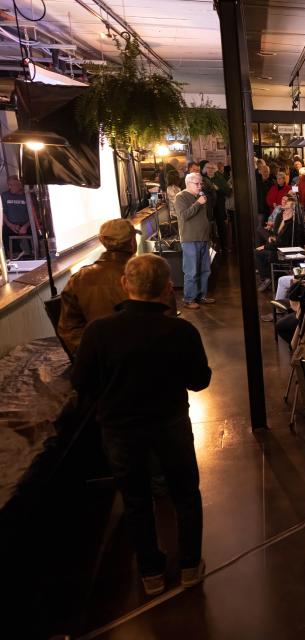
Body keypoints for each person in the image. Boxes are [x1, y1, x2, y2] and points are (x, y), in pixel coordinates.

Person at [71, 254, 210, 595]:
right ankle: (190, 565)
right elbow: (199, 381)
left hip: (120, 429)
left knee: (135, 500)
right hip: (171, 424)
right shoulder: (181, 330)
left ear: (124, 284)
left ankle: (151, 573)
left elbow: (81, 382)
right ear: (166, 289)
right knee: (185, 495)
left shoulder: (99, 331)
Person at [59, 219, 167, 355]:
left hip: (100, 363)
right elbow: (167, 317)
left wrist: (95, 353)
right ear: (132, 243)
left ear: (102, 241)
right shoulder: (149, 272)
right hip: (148, 357)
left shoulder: (79, 278)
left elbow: (69, 328)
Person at [175, 172, 214, 309]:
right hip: (190, 239)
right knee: (191, 271)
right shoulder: (180, 197)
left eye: (200, 183)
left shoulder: (200, 196)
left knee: (205, 270)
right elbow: (184, 216)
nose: (199, 186)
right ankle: (189, 299)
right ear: (188, 183)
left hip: (204, 238)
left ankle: (201, 296)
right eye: (197, 184)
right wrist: (198, 203)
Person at [1, 176, 32, 258]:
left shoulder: (27, 196)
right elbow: (2, 212)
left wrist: (25, 226)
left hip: (26, 224)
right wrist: (10, 224)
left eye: (13, 184)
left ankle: (33, 254)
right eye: (9, 185)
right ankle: (10, 255)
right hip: (10, 225)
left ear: (19, 185)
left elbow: (33, 214)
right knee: (3, 231)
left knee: (35, 232)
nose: (11, 187)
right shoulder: (4, 196)